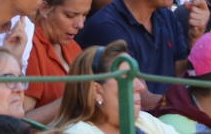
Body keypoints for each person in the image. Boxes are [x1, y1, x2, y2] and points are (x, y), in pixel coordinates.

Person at [47, 40, 178, 134]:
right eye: (126, 77)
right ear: (97, 91)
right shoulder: (79, 132)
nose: (140, 87)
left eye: (136, 77)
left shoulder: (145, 120)